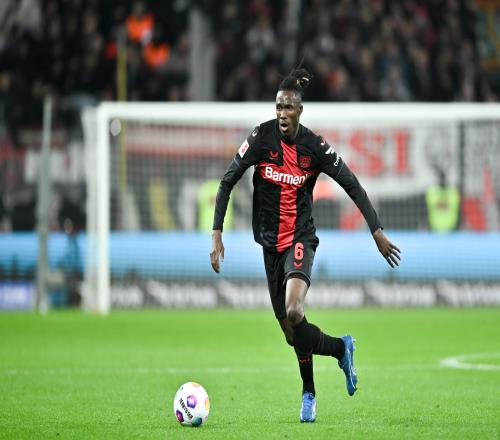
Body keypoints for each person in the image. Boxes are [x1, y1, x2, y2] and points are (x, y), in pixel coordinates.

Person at [210, 67, 401, 423]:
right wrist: (216, 232)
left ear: (299, 111)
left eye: (288, 107)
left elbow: (351, 184)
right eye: (278, 107)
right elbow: (227, 182)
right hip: (270, 245)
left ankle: (308, 394)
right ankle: (341, 347)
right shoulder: (260, 138)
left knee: (295, 311)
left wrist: (376, 230)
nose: (282, 113)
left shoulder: (315, 147)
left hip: (300, 238)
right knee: (291, 334)